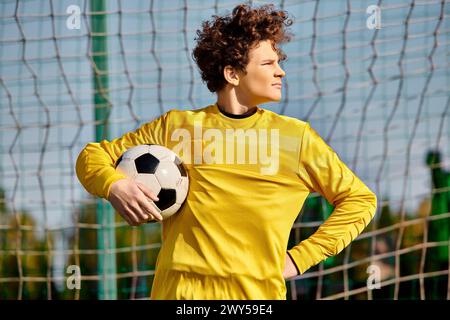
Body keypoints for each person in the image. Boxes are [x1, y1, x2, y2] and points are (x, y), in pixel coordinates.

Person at [76, 3, 377, 300]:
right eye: (268, 63)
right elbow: (92, 156)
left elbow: (360, 201)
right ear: (233, 74)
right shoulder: (176, 128)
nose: (281, 72)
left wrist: (300, 258)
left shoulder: (296, 138)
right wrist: (114, 185)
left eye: (278, 62)